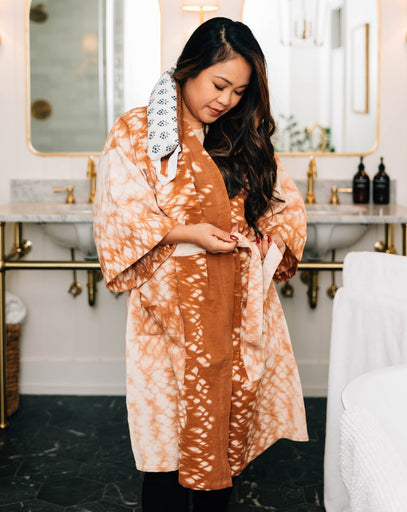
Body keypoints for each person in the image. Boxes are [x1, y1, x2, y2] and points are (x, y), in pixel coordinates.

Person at [93, 17, 308, 512]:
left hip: (234, 313)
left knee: (222, 447)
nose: (226, 100)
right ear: (190, 68)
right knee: (165, 451)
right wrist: (187, 233)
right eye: (219, 84)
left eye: (240, 91)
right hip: (166, 321)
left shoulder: (243, 136)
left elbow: (286, 209)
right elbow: (119, 215)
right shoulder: (138, 131)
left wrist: (265, 242)